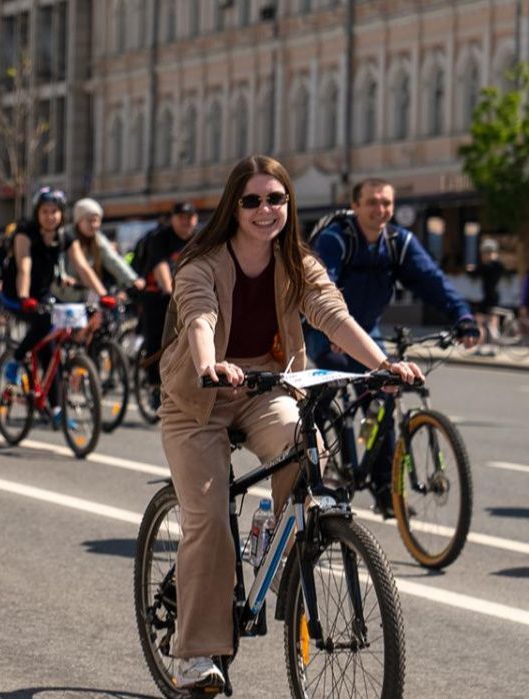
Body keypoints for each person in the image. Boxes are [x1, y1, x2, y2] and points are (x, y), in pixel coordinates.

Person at [158, 155, 422, 690]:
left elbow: (332, 313)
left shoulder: (297, 262)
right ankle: (196, 654)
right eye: (252, 200)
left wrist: (383, 366)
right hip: (200, 397)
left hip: (265, 386)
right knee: (208, 518)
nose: (265, 210)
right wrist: (210, 364)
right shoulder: (201, 262)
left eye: (276, 199)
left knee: (308, 453)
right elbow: (199, 316)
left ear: (288, 205)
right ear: (234, 205)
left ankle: (283, 558)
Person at [304, 177, 478, 514]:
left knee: (386, 392)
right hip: (323, 328)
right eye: (371, 202)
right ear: (355, 206)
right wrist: (331, 333)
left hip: (366, 330)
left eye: (386, 203)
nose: (380, 209)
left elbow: (433, 281)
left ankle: (384, 488)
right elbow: (323, 288)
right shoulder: (335, 240)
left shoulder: (399, 242)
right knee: (328, 392)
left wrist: (463, 317)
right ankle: (317, 466)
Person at [0, 188, 117, 425]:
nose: (50, 216)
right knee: (45, 324)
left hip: (42, 294)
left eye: (55, 212)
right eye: (45, 211)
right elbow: (24, 265)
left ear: (62, 214)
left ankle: (55, 410)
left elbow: (83, 268)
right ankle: (16, 360)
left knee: (54, 346)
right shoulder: (25, 232)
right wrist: (24, 296)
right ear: (37, 213)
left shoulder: (65, 237)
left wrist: (102, 295)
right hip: (16, 293)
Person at [137, 202, 199, 406]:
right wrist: (171, 292)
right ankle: (154, 385)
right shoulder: (160, 238)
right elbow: (160, 266)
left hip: (188, 296)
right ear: (173, 219)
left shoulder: (199, 240)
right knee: (157, 341)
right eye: (181, 217)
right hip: (159, 296)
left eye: (190, 217)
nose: (186, 222)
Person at [58, 197, 138, 302]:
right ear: (78, 221)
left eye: (97, 221)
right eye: (89, 221)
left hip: (89, 293)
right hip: (64, 293)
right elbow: (59, 262)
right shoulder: (66, 237)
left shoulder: (98, 239)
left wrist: (132, 279)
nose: (94, 225)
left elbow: (113, 260)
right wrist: (63, 277)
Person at [467, 238, 506, 355]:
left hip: (488, 298)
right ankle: (495, 348)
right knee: (493, 324)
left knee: (479, 322)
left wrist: (470, 268)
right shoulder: (499, 266)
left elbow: (474, 273)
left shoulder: (486, 266)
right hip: (496, 298)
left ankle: (479, 348)